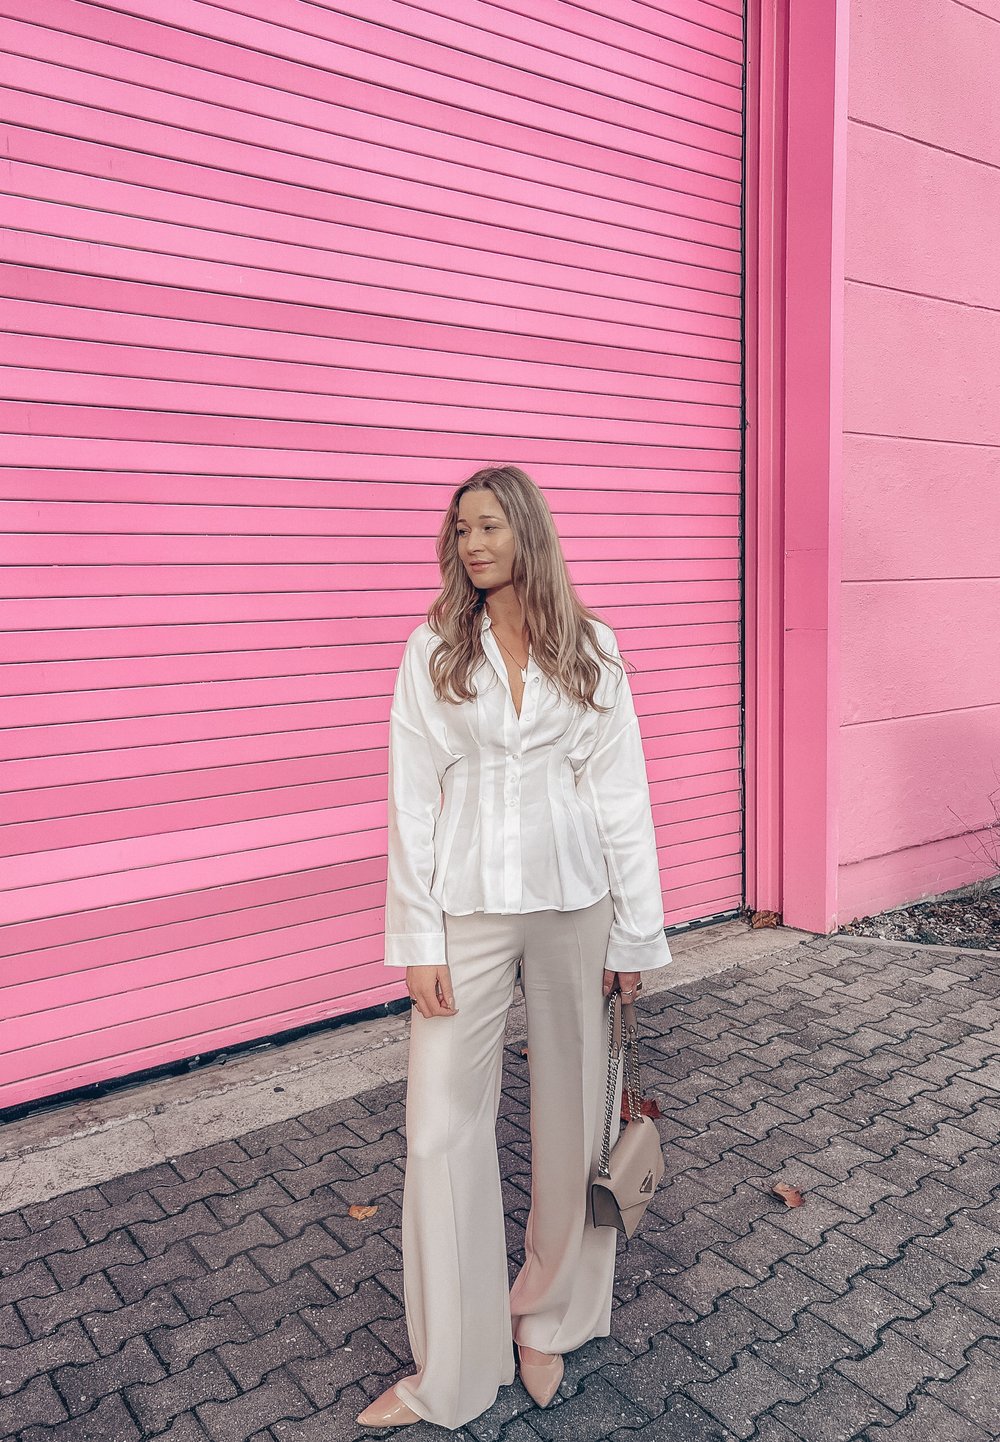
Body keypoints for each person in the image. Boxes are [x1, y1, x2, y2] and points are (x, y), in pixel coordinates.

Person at [357, 464, 673, 1433]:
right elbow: (411, 794)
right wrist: (415, 935)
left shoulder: (593, 646)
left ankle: (549, 1318)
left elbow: (622, 794)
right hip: (465, 907)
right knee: (437, 1126)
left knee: (573, 1117)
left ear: (527, 529)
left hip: (577, 900)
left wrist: (635, 929)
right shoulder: (432, 647)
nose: (471, 544)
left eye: (488, 526)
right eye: (460, 531)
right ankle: (450, 1369)